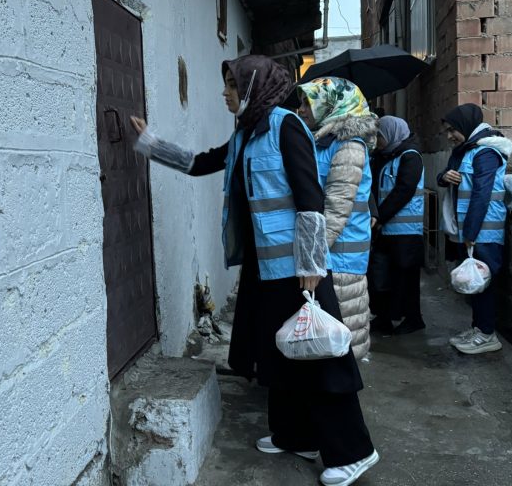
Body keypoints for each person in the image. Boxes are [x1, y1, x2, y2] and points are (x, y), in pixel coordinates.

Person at [131, 55, 378, 485]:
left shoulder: (286, 126)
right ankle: (294, 434)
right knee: (278, 354)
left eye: (231, 85)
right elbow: (202, 161)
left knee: (322, 357)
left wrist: (311, 263)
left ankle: (356, 450)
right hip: (265, 268)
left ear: (251, 87)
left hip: (299, 269)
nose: (224, 93)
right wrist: (152, 145)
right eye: (226, 85)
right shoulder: (247, 133)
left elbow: (309, 196)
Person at [288, 77, 377, 361]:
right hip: (328, 252)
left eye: (307, 103)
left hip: (340, 254)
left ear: (330, 105)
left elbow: (337, 209)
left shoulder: (349, 147)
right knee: (327, 331)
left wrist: (311, 258)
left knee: (343, 328)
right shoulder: (324, 142)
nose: (301, 109)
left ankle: (343, 392)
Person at [437, 104, 512, 355]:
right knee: (475, 282)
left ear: (466, 127)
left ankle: (487, 334)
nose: (450, 136)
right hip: (470, 230)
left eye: (453, 130)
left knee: (484, 283)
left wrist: (470, 234)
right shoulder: (466, 151)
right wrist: (444, 177)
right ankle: (478, 328)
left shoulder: (486, 152)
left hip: (484, 232)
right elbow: (449, 177)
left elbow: (481, 195)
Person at [369, 116, 426, 336]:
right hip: (385, 230)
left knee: (407, 279)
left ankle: (413, 319)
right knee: (382, 276)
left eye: (380, 136)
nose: (377, 140)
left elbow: (404, 190)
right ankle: (384, 318)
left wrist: (379, 216)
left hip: (405, 232)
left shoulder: (410, 157)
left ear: (391, 134)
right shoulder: (382, 157)